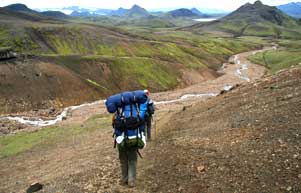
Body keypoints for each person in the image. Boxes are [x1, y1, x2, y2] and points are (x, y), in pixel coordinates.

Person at [112, 100, 146, 188]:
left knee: (123, 161)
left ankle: (124, 180)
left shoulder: (118, 113)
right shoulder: (137, 113)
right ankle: (132, 181)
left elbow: (115, 127)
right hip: (134, 140)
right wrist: (142, 137)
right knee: (132, 160)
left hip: (121, 141)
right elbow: (142, 127)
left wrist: (119, 137)